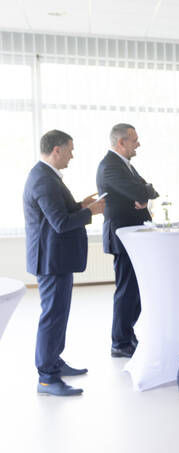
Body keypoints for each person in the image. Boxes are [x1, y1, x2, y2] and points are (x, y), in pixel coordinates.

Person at [23, 129, 106, 396]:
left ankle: (54, 362)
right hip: (51, 261)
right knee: (52, 317)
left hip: (56, 259)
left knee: (58, 315)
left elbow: (57, 212)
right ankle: (47, 378)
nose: (72, 155)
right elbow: (60, 223)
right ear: (56, 150)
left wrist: (81, 205)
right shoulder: (43, 180)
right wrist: (90, 212)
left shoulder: (47, 176)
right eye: (70, 150)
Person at [96, 123, 159, 358]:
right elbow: (143, 191)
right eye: (134, 140)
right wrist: (142, 192)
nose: (138, 144)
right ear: (121, 142)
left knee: (135, 290)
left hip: (134, 237)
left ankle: (127, 335)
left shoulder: (124, 165)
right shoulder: (110, 166)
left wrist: (143, 192)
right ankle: (120, 342)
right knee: (127, 290)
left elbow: (149, 190)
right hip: (123, 238)